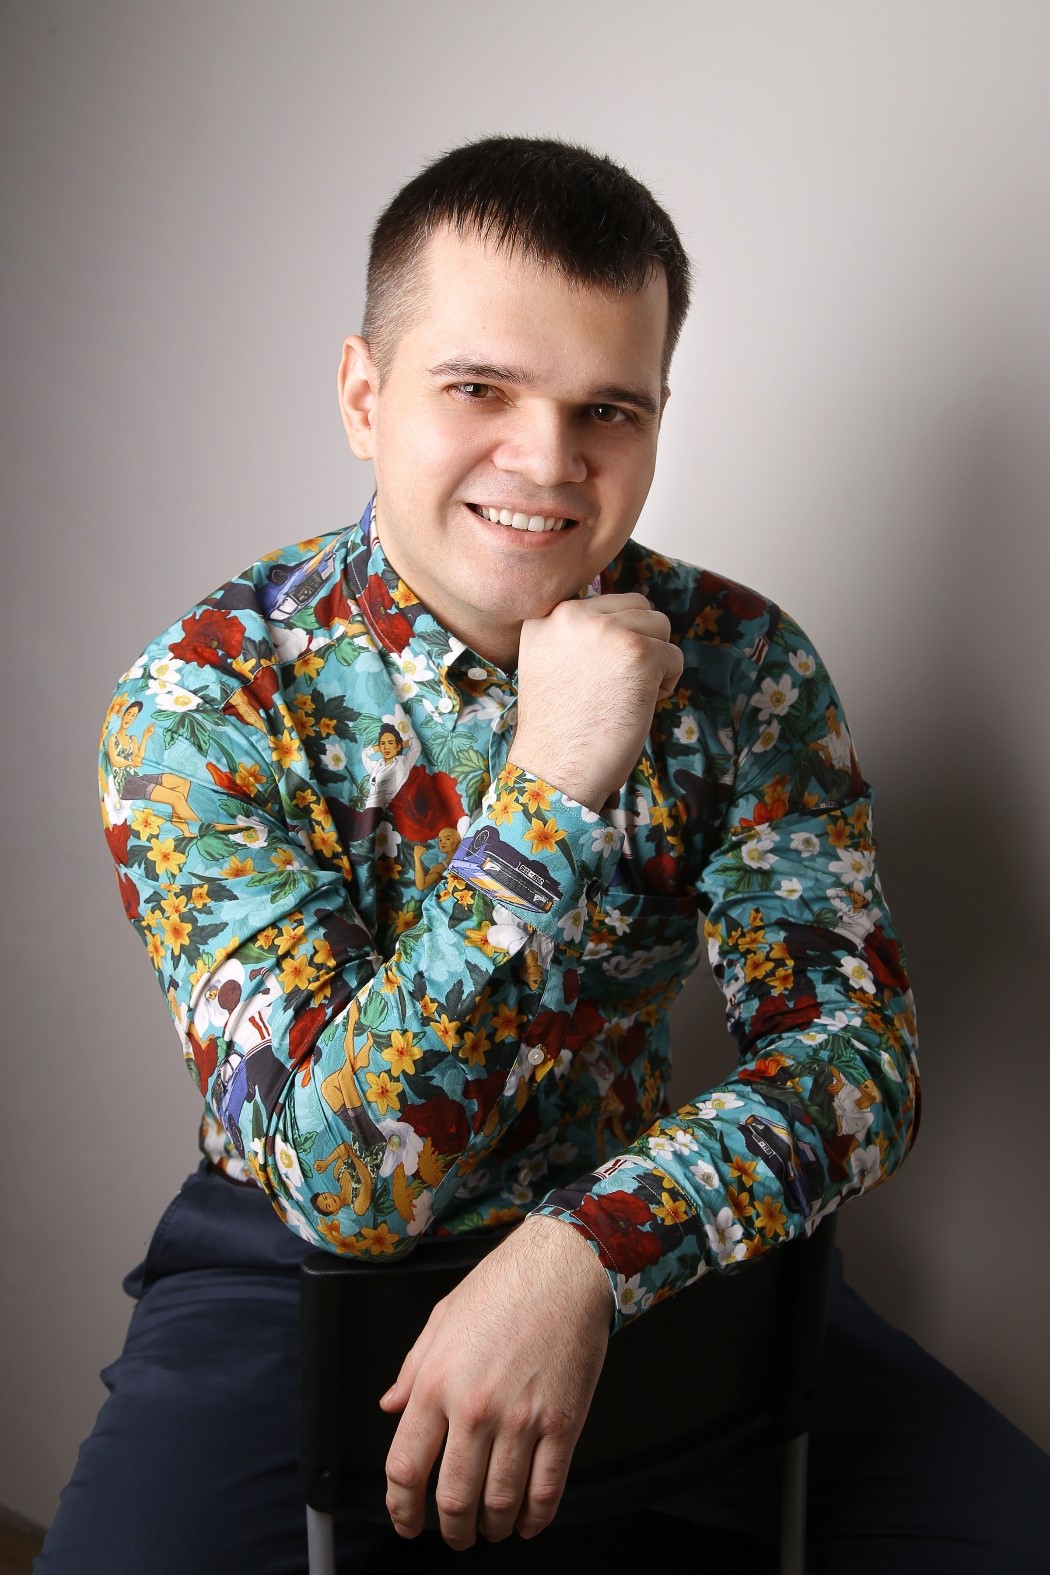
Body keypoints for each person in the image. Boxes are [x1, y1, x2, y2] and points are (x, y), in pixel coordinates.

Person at [40, 137, 1047, 1574]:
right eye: (478, 389)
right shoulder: (205, 697)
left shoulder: (744, 664)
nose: (547, 462)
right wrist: (555, 784)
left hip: (643, 1226)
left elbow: (855, 1067)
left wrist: (584, 1253)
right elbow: (345, 1181)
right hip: (293, 1258)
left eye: (606, 411)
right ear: (364, 395)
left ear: (655, 421)